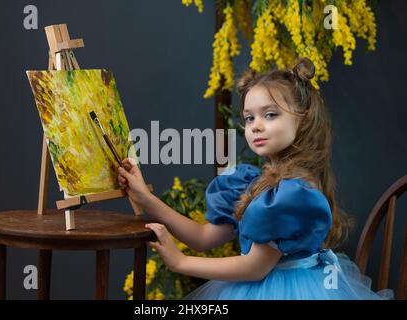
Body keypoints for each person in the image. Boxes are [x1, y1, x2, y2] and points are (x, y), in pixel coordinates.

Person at [117, 58, 392, 299]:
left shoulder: (292, 193)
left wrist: (181, 263)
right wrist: (147, 199)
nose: (256, 126)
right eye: (249, 118)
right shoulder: (252, 181)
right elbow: (204, 237)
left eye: (270, 115)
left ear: (303, 120)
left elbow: (255, 267)